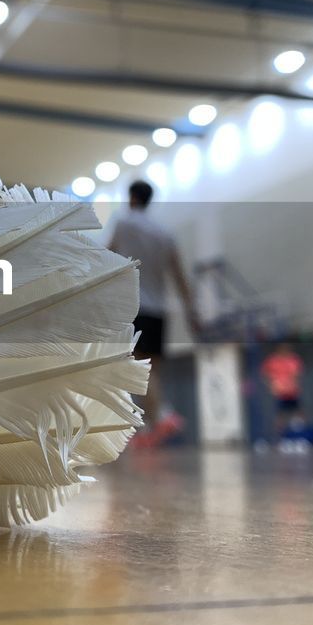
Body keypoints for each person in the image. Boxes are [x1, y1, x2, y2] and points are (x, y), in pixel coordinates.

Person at [108, 179, 198, 445]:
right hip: (160, 310)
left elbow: (106, 255)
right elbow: (179, 275)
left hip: (135, 304)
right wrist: (192, 311)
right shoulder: (164, 233)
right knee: (151, 371)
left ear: (132, 197)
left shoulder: (124, 223)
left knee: (137, 368)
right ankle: (149, 427)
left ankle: (162, 415)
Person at [260, 339, 304, 441]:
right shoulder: (273, 361)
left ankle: (300, 434)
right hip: (280, 392)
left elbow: (297, 374)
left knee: (298, 412)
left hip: (292, 391)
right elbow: (265, 374)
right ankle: (280, 438)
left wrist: (294, 383)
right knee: (280, 415)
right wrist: (271, 385)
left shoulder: (293, 360)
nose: (286, 350)